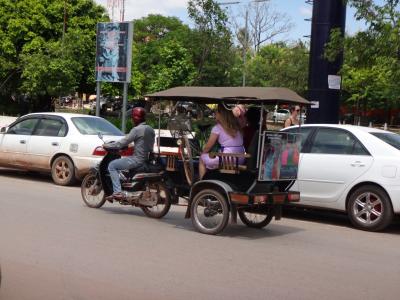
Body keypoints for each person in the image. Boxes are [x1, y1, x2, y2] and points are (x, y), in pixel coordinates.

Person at [107, 107, 155, 200]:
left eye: (132, 117)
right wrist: (132, 146)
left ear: (136, 118)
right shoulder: (150, 129)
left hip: (137, 160)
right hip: (148, 159)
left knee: (112, 165)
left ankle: (117, 192)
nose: (132, 119)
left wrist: (109, 146)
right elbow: (143, 143)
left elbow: (123, 142)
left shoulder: (136, 130)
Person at [199, 104, 244, 179]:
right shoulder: (236, 126)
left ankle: (202, 182)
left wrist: (203, 152)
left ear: (220, 114)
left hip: (228, 159)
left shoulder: (217, 128)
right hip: (240, 158)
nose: (215, 114)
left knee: (202, 158)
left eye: (216, 112)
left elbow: (208, 146)